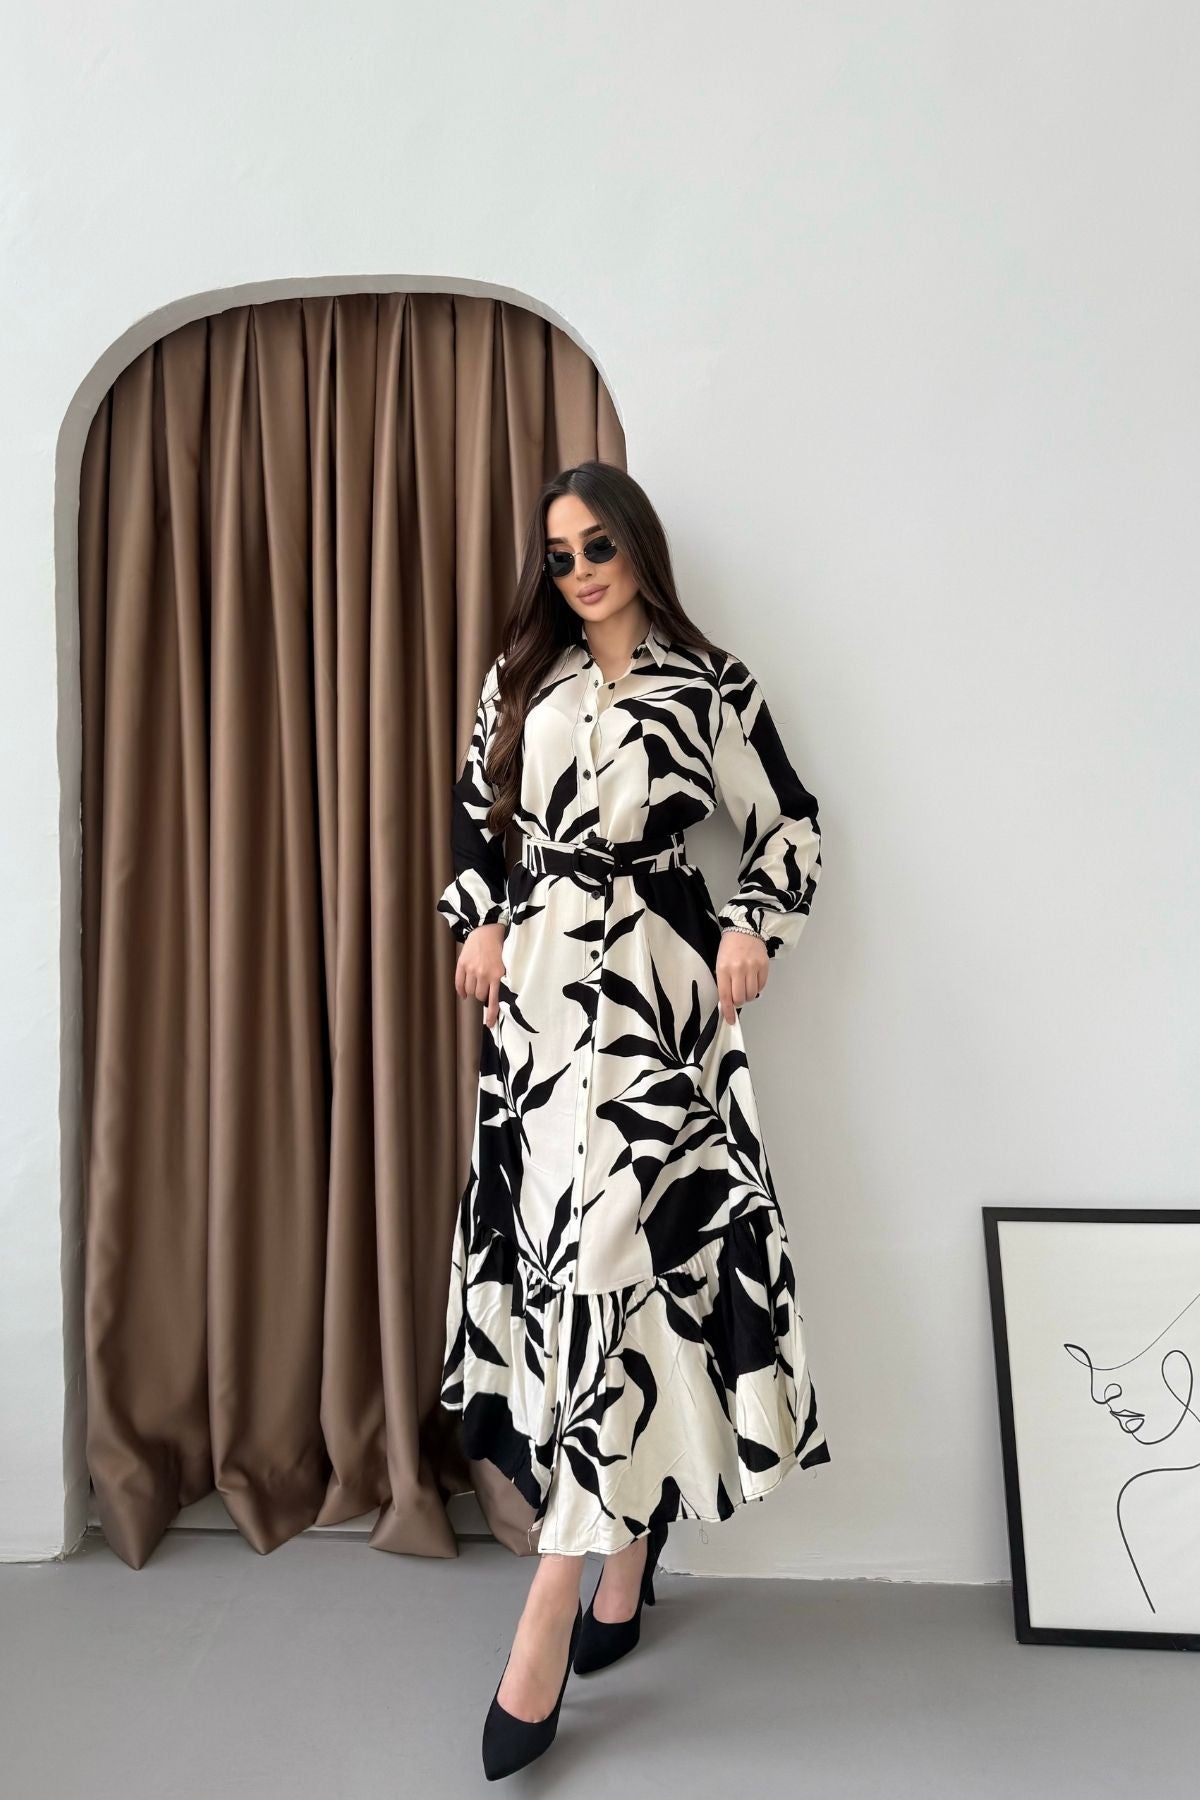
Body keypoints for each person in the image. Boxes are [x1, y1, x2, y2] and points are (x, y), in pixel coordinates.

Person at [435, 460, 830, 1779]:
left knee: (627, 1267)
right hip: (542, 1016)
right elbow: (474, 826)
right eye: (558, 555)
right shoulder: (518, 680)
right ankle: (628, 1551)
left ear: (639, 545)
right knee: (581, 1285)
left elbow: (791, 826)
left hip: (663, 1009)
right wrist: (478, 921)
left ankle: (551, 1607)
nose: (581, 571)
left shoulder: (713, 686)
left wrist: (750, 925)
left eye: (598, 544)